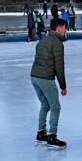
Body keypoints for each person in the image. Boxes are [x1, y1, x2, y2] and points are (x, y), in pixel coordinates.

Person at [30, 17, 68, 148]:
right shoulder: (57, 43)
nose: (65, 31)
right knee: (55, 107)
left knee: (45, 104)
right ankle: (52, 136)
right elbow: (59, 66)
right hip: (45, 78)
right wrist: (63, 86)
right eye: (65, 28)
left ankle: (41, 133)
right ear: (59, 28)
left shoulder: (43, 40)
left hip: (34, 77)